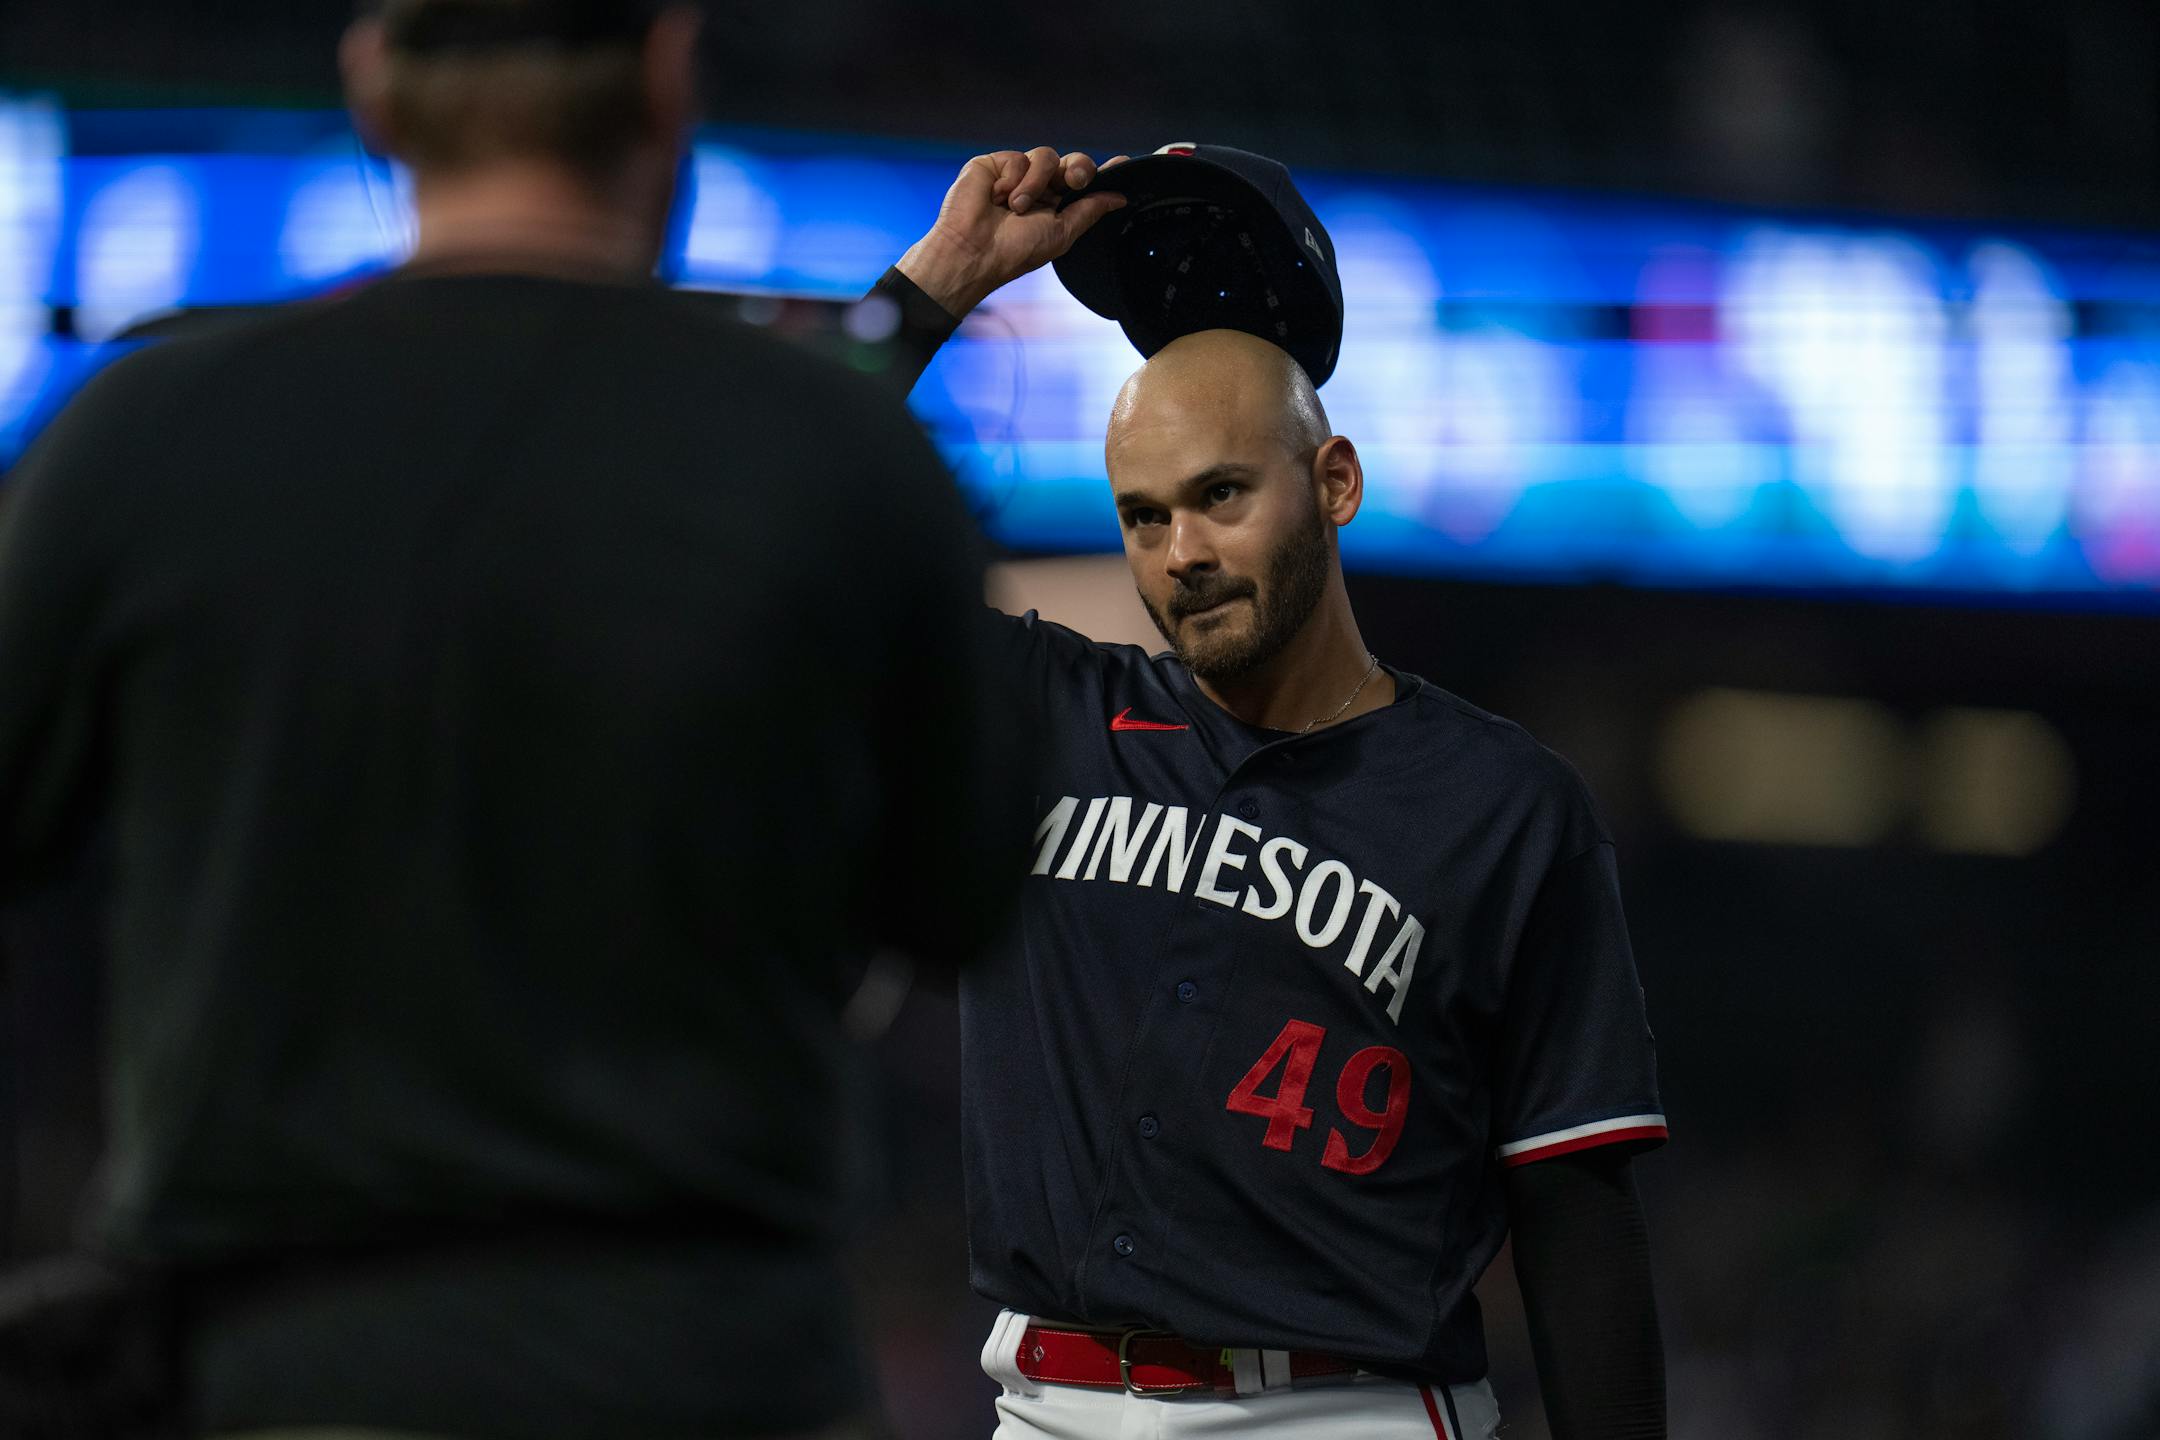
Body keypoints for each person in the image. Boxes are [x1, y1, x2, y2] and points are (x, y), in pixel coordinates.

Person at [0, 1, 1024, 1435]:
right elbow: (956, 897)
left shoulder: (142, 430)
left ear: (371, 80)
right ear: (668, 75)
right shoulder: (846, 457)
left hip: (281, 1365)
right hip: (709, 1372)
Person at [864, 147, 1669, 1438]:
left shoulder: (1505, 804)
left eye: (1222, 497)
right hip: (1045, 1404)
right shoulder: (1047, 713)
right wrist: (940, 282)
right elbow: (760, 519)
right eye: (1142, 517)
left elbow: (1576, 1216)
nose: (1181, 553)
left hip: (1341, 1411)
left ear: (1333, 484)